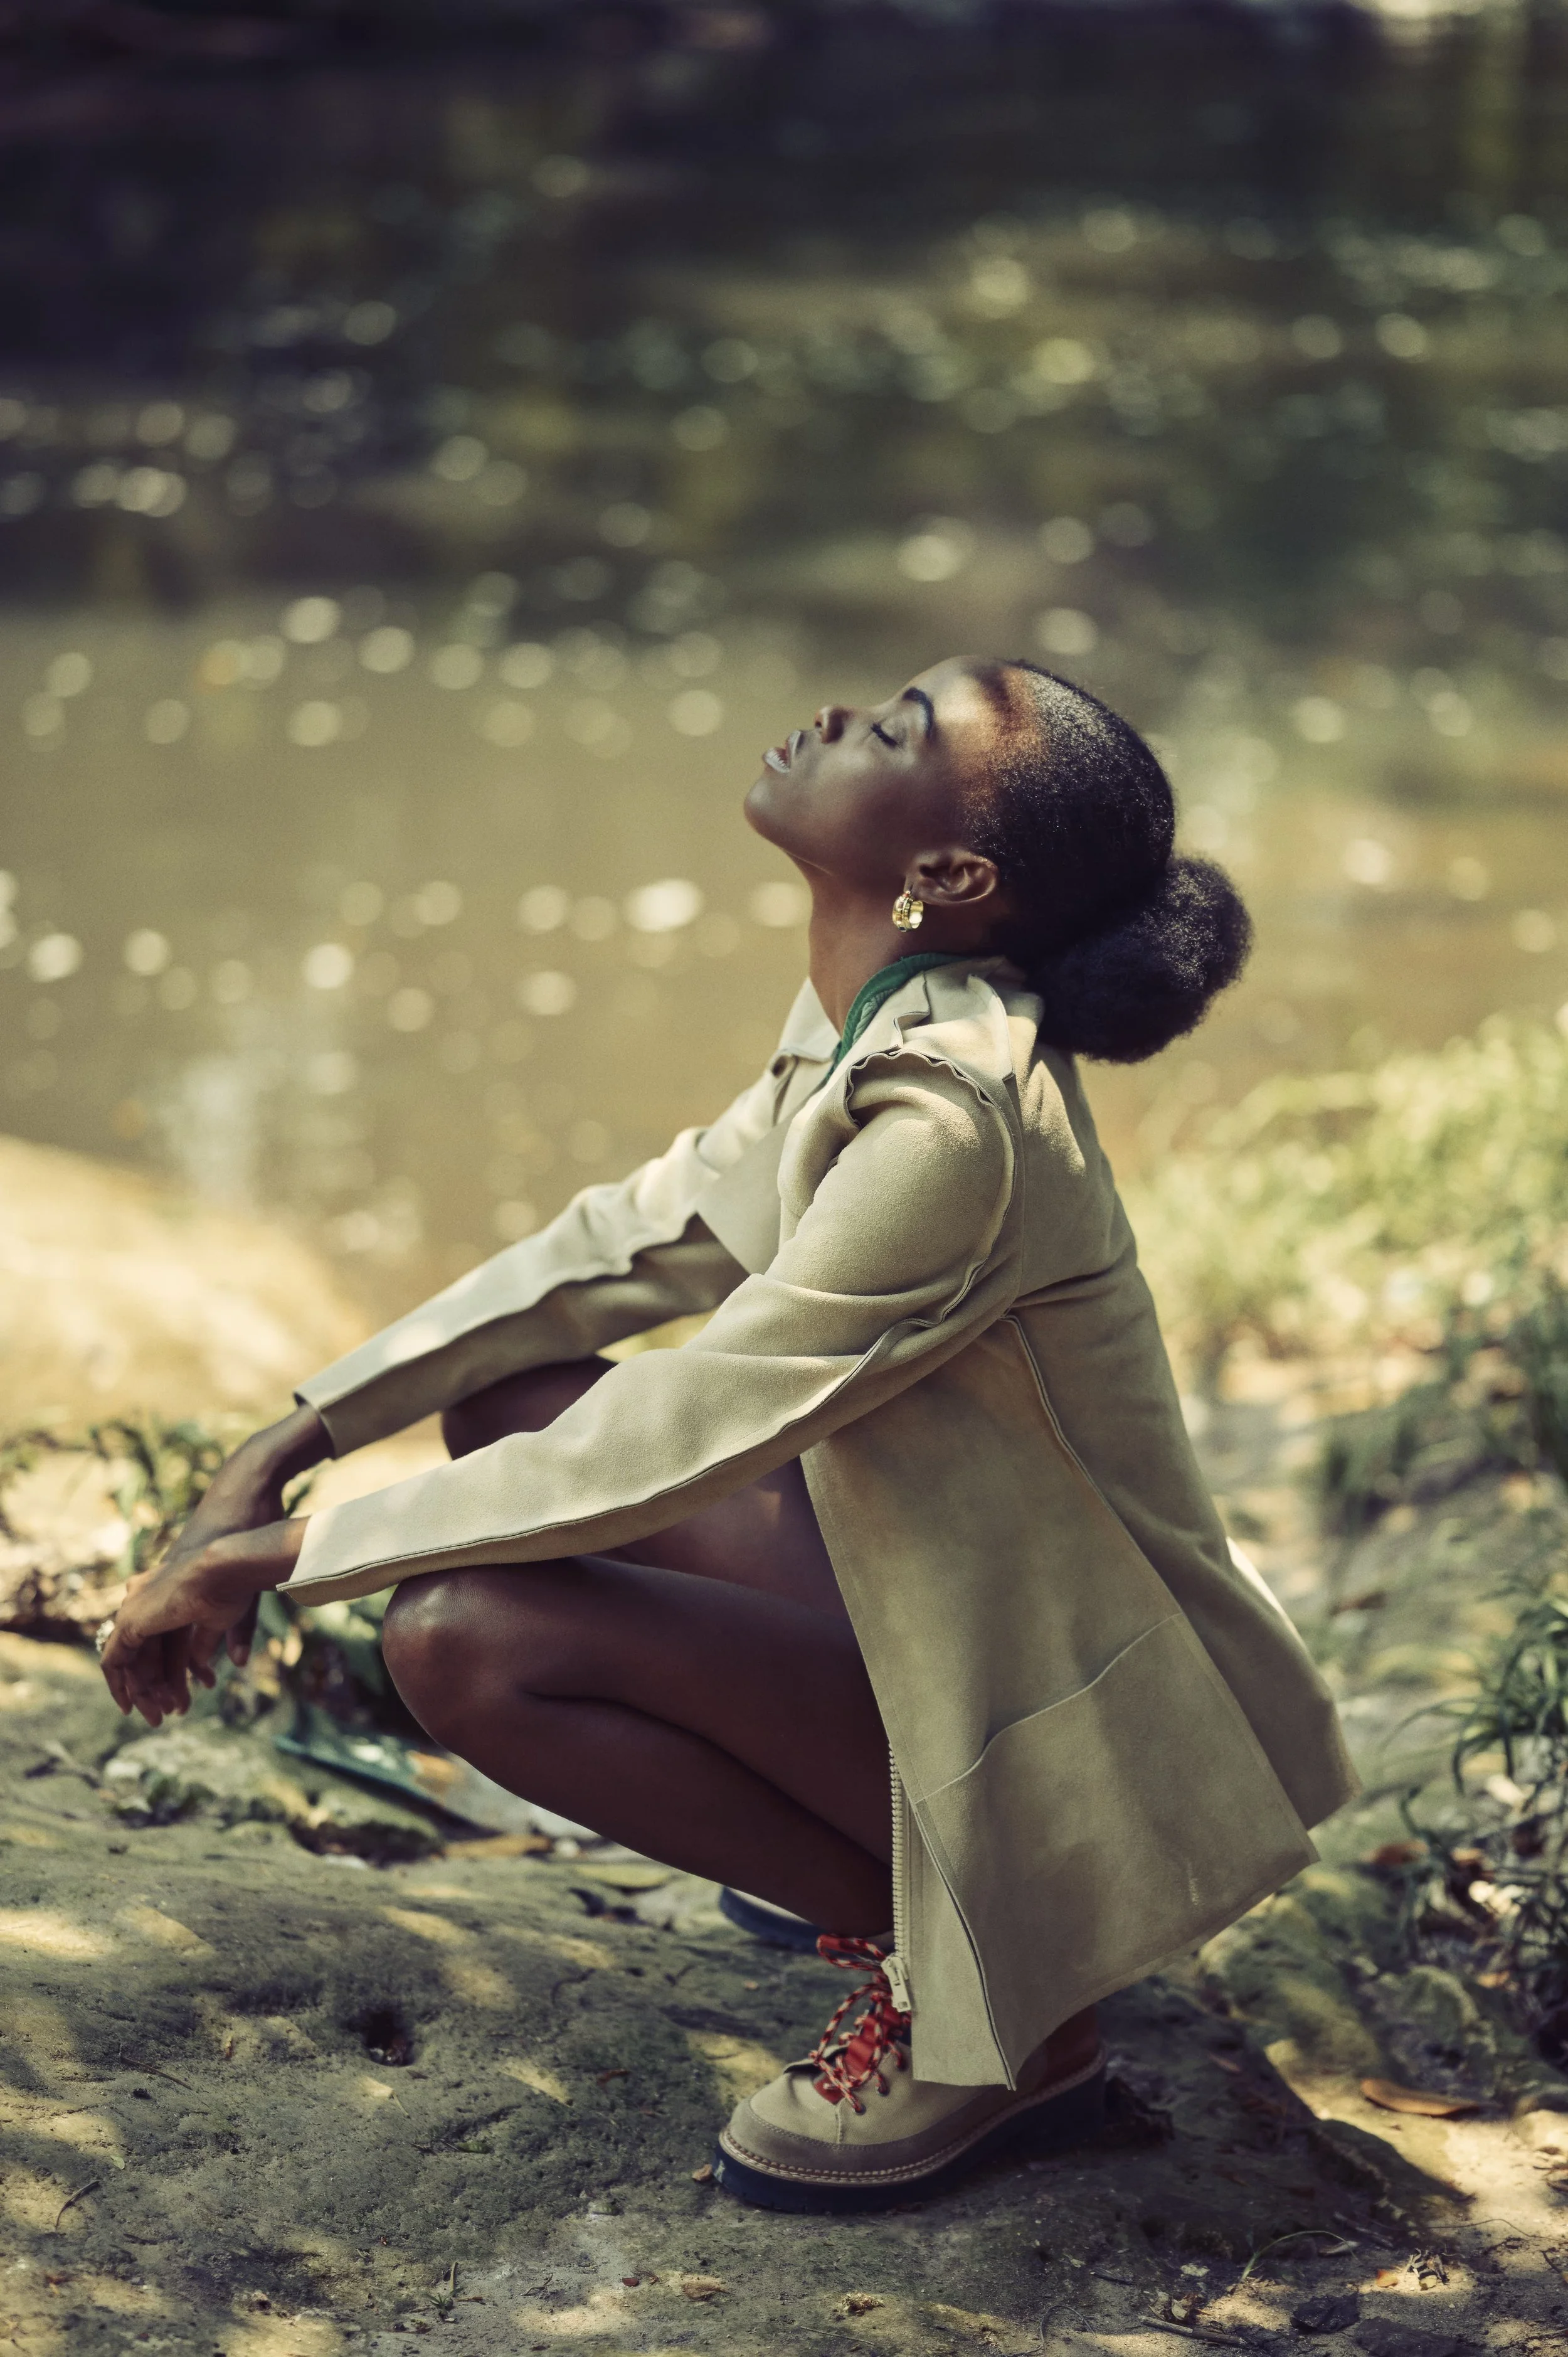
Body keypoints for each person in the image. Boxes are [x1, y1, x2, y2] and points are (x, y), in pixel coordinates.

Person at [99, 656, 1355, 2214]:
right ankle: (879, 1865)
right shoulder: (880, 1018)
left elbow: (681, 1428)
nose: (836, 715)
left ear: (949, 874)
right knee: (512, 1395)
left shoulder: (952, 1130)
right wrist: (295, 1436)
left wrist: (272, 1560)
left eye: (895, 731)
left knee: (464, 1640)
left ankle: (995, 2005)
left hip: (1073, 1724)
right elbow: (619, 1253)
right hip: (946, 1608)